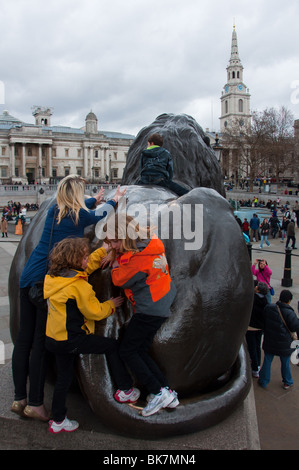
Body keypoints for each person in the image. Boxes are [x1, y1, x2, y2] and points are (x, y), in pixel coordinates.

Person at [11, 174, 126, 422]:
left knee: (23, 341)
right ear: (76, 196)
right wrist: (114, 200)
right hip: (43, 281)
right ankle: (36, 404)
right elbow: (100, 214)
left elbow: (81, 201)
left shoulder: (55, 208)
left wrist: (92, 198)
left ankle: (19, 398)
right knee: (41, 343)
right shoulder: (78, 215)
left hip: (28, 275)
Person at [44, 237, 138, 433]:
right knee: (110, 346)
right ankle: (125, 388)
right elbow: (94, 311)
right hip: (72, 339)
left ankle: (58, 420)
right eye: (84, 258)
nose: (87, 261)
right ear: (75, 260)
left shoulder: (55, 278)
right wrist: (111, 305)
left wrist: (102, 251)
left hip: (53, 338)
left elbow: (86, 270)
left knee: (63, 378)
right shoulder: (79, 287)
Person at [103, 214, 178, 416]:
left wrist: (115, 262)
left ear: (125, 237)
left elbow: (119, 279)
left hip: (149, 309)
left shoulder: (136, 261)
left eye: (115, 241)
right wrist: (117, 253)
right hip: (162, 301)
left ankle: (156, 391)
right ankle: (167, 391)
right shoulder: (151, 242)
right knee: (140, 350)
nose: (113, 246)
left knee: (127, 351)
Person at [258, 290, 299, 390]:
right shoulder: (290, 313)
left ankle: (263, 381)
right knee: (285, 363)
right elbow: (294, 327)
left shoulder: (269, 308)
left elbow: (264, 321)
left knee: (267, 361)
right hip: (284, 343)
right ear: (289, 301)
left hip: (270, 340)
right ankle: (287, 382)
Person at [245, 282, 269, 378]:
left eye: (256, 286)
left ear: (258, 290)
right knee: (257, 346)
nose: (255, 286)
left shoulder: (252, 299)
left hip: (251, 327)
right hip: (259, 328)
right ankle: (258, 365)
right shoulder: (265, 301)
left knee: (252, 347)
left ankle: (254, 368)